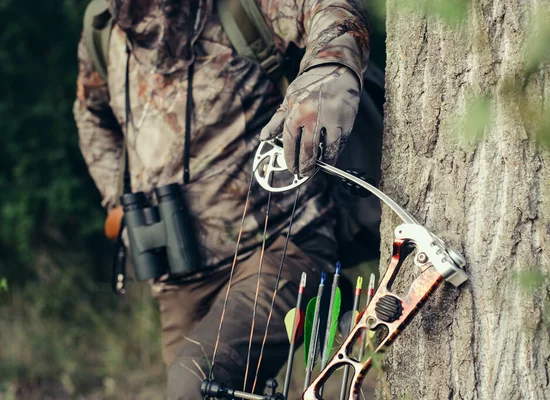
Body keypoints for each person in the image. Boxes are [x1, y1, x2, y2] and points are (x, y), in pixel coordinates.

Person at [73, 0, 370, 398]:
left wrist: (328, 71)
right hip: (178, 277)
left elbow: (333, 9)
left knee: (193, 385)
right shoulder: (103, 26)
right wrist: (120, 202)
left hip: (280, 245)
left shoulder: (240, 7)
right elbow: (91, 114)